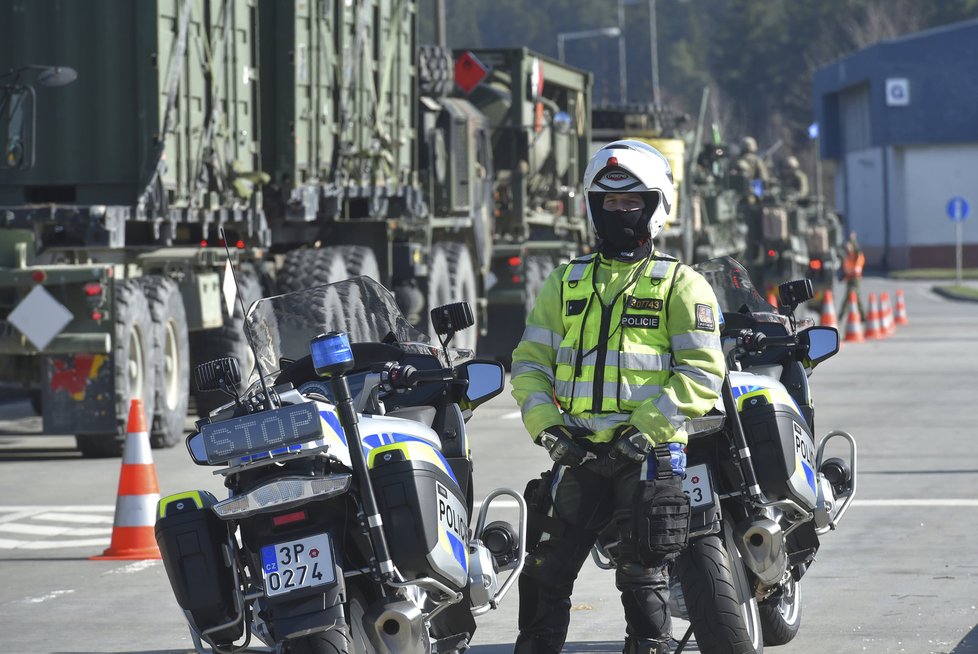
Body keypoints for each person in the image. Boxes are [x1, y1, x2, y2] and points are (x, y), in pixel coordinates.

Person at [510, 140, 726, 654]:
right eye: (609, 205)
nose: (620, 214)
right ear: (592, 208)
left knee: (642, 579)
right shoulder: (565, 283)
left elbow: (701, 372)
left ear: (655, 209)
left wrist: (642, 432)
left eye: (632, 204)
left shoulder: (681, 284)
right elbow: (529, 364)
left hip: (647, 456)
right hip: (578, 452)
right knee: (541, 574)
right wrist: (549, 430)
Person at [842, 231, 866, 318]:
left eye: (849, 247)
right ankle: (863, 316)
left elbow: (857, 249)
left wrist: (853, 240)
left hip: (855, 278)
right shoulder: (848, 256)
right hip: (849, 278)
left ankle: (863, 316)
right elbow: (847, 267)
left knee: (854, 297)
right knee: (850, 297)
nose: (847, 249)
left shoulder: (856, 255)